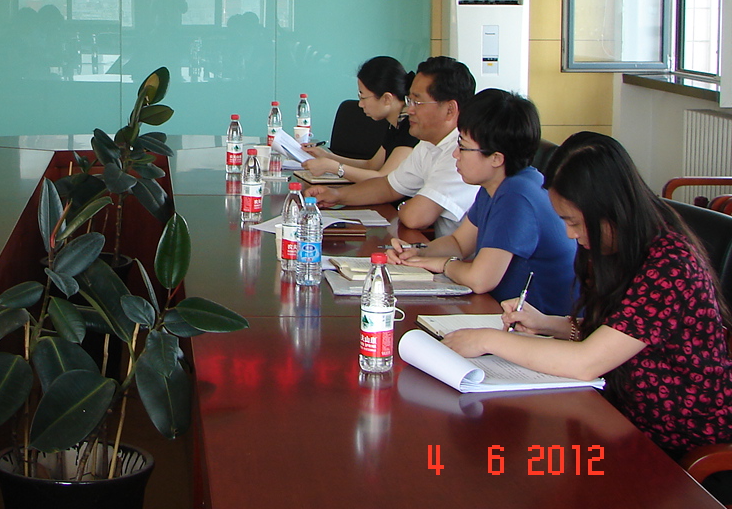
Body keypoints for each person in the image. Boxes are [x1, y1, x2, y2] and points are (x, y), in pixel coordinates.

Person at [444, 132, 732, 460]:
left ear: (608, 209)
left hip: (676, 441)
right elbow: (619, 331)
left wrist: (488, 340)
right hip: (615, 414)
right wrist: (548, 324)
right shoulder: (616, 242)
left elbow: (587, 362)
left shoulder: (670, 265)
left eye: (574, 222)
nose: (570, 234)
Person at [388, 89, 577, 315]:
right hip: (503, 312)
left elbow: (480, 280)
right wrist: (418, 253)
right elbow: (459, 243)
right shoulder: (495, 185)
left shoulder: (517, 195)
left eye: (463, 147)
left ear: (496, 158)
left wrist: (442, 264)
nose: (455, 155)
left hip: (542, 325)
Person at [312, 56, 476, 237]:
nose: (410, 110)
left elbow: (415, 217)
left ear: (450, 110)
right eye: (409, 100)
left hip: (454, 253)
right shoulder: (428, 144)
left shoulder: (462, 152)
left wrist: (404, 206)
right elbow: (388, 187)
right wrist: (337, 196)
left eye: (417, 102)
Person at [302, 56, 417, 183]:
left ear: (387, 99)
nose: (360, 104)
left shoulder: (411, 128)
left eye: (363, 97)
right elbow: (371, 165)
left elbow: (384, 179)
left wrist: (335, 168)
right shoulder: (395, 124)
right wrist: (327, 156)